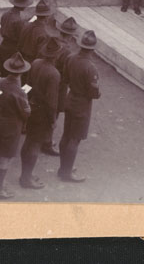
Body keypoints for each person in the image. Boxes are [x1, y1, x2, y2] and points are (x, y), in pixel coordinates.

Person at [58, 29, 100, 183]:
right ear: (93, 49)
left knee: (66, 135)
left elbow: (65, 78)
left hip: (70, 98)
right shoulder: (91, 68)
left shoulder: (70, 58)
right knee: (75, 139)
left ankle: (63, 168)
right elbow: (94, 93)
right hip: (82, 105)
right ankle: (66, 173)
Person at [19, 37, 61, 189]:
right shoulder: (54, 74)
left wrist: (26, 103)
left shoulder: (36, 63)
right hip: (42, 113)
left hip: (32, 106)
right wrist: (53, 120)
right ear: (56, 55)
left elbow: (28, 86)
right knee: (35, 145)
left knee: (28, 141)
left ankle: (25, 174)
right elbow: (51, 102)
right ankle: (26, 178)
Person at [0, 52, 32, 200]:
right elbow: (26, 112)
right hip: (12, 126)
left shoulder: (1, 83)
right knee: (6, 158)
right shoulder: (20, 92)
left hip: (0, 121)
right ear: (21, 73)